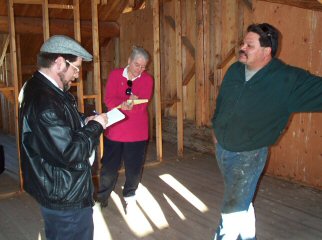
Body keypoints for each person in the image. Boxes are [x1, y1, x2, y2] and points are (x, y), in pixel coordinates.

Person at [212, 23, 322, 240]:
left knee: (232, 210)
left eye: (249, 45)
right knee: (241, 200)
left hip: (249, 155)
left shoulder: (286, 80)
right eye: (243, 42)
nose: (242, 47)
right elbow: (222, 102)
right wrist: (215, 129)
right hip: (223, 149)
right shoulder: (235, 70)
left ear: (266, 51)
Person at [19, 35, 108, 240]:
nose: (77, 75)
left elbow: (62, 125)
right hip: (65, 195)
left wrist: (85, 121)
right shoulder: (45, 101)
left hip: (60, 186)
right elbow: (70, 152)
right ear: (59, 62)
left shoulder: (45, 89)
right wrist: (96, 127)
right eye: (75, 68)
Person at [96, 46, 153, 211]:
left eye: (143, 67)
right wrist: (123, 104)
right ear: (129, 61)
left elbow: (142, 105)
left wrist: (129, 104)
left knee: (134, 168)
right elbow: (109, 99)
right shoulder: (115, 75)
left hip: (137, 133)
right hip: (115, 130)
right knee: (108, 167)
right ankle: (102, 197)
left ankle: (130, 196)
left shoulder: (147, 79)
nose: (140, 70)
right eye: (137, 65)